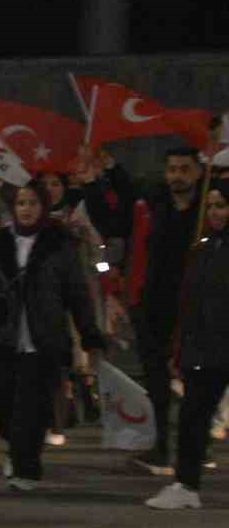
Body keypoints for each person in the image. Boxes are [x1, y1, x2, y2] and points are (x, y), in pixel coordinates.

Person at [0, 181, 106, 491]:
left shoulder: (60, 244)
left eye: (32, 203)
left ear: (42, 207)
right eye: (21, 203)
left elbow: (77, 293)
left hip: (44, 338)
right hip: (2, 336)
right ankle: (16, 448)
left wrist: (89, 333)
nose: (26, 209)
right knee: (2, 403)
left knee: (33, 407)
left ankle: (26, 466)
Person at [88, 148, 203, 475]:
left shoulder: (209, 209)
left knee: (198, 382)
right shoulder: (153, 207)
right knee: (156, 380)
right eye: (172, 169)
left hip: (196, 307)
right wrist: (95, 181)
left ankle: (195, 448)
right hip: (152, 305)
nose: (177, 175)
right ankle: (163, 448)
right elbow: (115, 218)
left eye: (184, 169)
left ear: (198, 172)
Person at [149, 179, 229, 510]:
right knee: (192, 416)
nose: (214, 212)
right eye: (211, 205)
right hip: (207, 349)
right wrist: (180, 347)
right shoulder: (204, 249)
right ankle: (186, 485)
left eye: (222, 205)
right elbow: (189, 304)